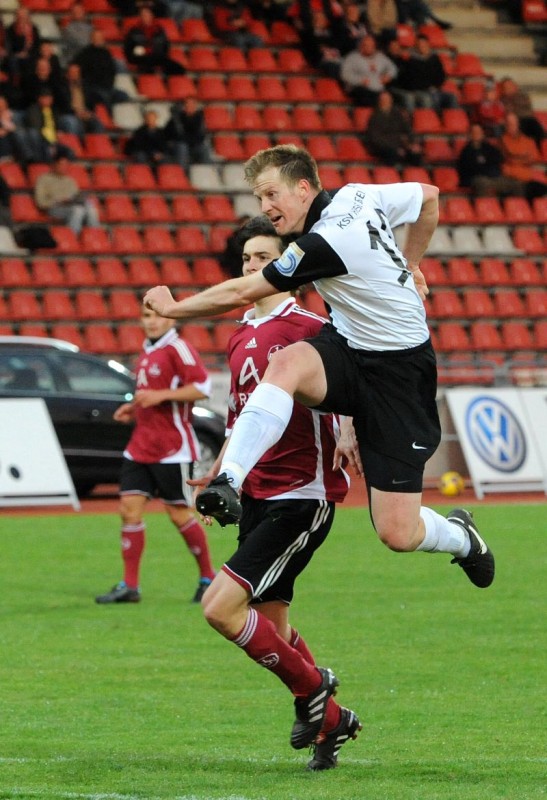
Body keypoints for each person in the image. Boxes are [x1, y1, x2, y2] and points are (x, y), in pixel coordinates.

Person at [143, 142, 496, 745]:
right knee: (285, 366)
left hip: (398, 376)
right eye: (260, 198)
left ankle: (461, 535)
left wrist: (176, 307)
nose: (266, 207)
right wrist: (413, 264)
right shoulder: (361, 195)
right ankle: (230, 477)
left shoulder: (324, 241)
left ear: (304, 188)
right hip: (350, 346)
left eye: (272, 195)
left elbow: (239, 294)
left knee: (397, 533)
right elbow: (430, 200)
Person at [189, 215, 361, 769]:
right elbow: (244, 415)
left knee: (219, 610)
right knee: (274, 628)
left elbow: (356, 380)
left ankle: (316, 688)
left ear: (290, 265)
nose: (252, 268)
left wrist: (351, 427)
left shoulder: (310, 325)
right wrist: (221, 474)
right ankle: (331, 721)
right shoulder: (241, 332)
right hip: (257, 492)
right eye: (246, 260)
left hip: (301, 492)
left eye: (263, 258)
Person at [96, 304, 217, 605]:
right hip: (141, 445)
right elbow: (149, 395)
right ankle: (130, 585)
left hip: (172, 449)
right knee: (129, 509)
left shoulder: (178, 348)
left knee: (178, 514)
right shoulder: (147, 351)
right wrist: (134, 408)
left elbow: (202, 387)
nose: (152, 322)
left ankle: (208, 578)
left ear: (172, 318)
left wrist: (159, 397)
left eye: (158, 315)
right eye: (147, 316)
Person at [34, 154, 100, 233]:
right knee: (78, 210)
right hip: (54, 207)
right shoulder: (43, 179)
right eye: (62, 165)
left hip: (71, 205)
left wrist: (80, 199)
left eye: (66, 165)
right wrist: (58, 200)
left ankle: (95, 235)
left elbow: (76, 196)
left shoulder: (70, 180)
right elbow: (41, 202)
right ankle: (72, 238)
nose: (64, 167)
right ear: (54, 165)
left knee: (91, 207)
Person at [456, 122, 520, 196]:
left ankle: (512, 206)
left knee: (516, 184)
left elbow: (498, 160)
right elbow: (469, 169)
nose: (477, 134)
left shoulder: (490, 148)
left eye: (479, 132)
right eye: (474, 132)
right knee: (482, 183)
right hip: (477, 178)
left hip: (493, 177)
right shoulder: (466, 151)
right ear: (470, 134)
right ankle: (485, 206)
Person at [75, 29, 130, 112]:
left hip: (108, 87)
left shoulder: (106, 53)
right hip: (93, 88)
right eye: (96, 37)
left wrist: (109, 84)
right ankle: (109, 118)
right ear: (91, 39)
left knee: (124, 96)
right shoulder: (85, 53)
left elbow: (112, 70)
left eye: (100, 38)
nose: (98, 40)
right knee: (105, 97)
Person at [363, 89, 422, 165]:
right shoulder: (375, 117)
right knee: (392, 154)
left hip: (399, 144)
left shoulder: (397, 114)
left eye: (388, 99)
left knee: (415, 154)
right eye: (384, 100)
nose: (386, 102)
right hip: (384, 147)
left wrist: (413, 143)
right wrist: (395, 147)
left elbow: (408, 130)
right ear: (379, 101)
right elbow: (375, 138)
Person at [123, 5, 186, 75]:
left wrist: (157, 52)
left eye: (147, 14)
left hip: (157, 57)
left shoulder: (159, 30)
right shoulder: (134, 31)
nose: (145, 17)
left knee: (178, 68)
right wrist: (138, 51)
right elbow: (128, 49)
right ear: (140, 17)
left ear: (152, 15)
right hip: (139, 58)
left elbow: (165, 47)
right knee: (147, 64)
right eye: (143, 15)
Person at [500, 112, 547, 201]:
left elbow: (534, 158)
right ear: (505, 125)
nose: (512, 126)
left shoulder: (528, 141)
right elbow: (508, 159)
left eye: (514, 124)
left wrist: (517, 158)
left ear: (518, 124)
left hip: (528, 176)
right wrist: (523, 157)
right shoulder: (501, 141)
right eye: (509, 124)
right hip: (513, 177)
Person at [339, 34, 398, 107]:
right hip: (359, 88)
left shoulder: (380, 57)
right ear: (361, 46)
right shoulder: (352, 58)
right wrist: (360, 80)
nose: (369, 48)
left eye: (372, 46)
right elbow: (345, 75)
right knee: (369, 96)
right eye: (366, 45)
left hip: (378, 87)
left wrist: (388, 76)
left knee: (391, 96)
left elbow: (393, 68)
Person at [163, 95, 213, 171]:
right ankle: (182, 173)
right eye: (187, 104)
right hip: (179, 145)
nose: (190, 106)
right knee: (182, 147)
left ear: (195, 106)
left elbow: (201, 136)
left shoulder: (200, 119)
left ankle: (208, 172)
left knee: (204, 148)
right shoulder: (176, 119)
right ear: (184, 105)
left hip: (194, 144)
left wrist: (188, 139)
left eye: (192, 104)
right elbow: (174, 135)